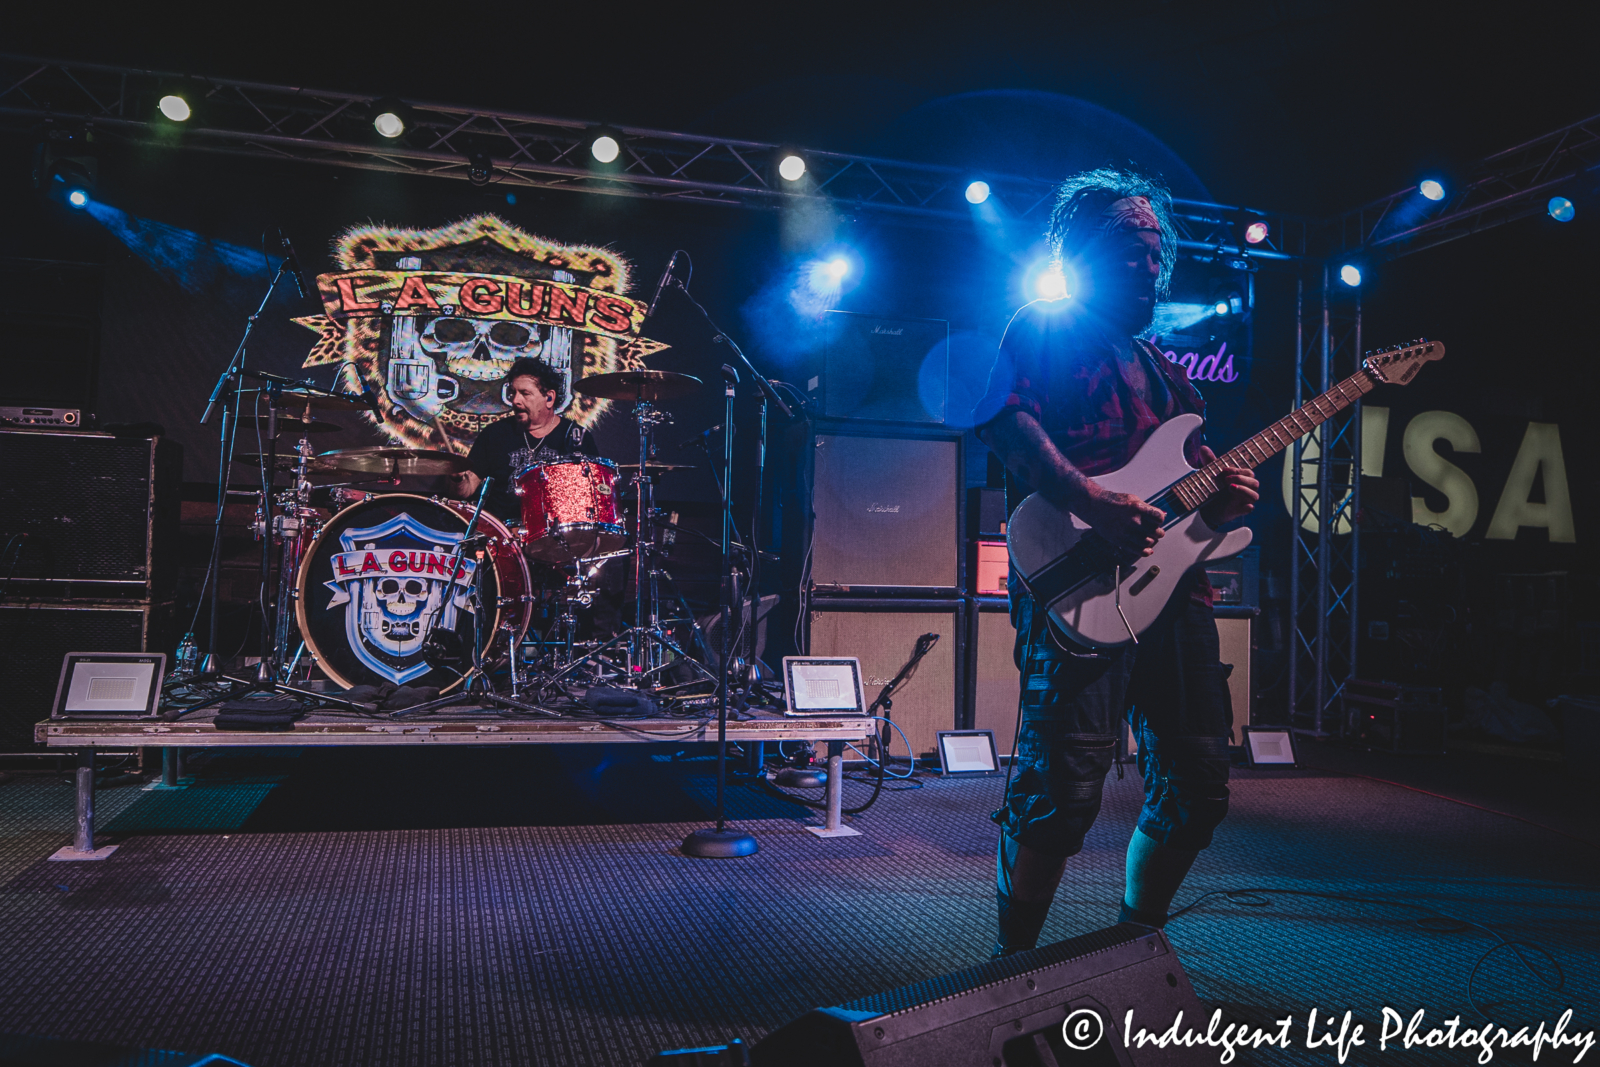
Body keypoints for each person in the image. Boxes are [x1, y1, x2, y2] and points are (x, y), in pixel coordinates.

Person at [975, 167, 1260, 957]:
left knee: (1199, 782)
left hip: (1178, 594)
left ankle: (1139, 943)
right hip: (1076, 574)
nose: (1149, 262)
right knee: (1061, 789)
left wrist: (1224, 503)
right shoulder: (1043, 326)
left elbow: (1194, 491)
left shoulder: (1171, 374)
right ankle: (1016, 963)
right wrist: (1095, 500)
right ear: (1083, 253)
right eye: (1131, 246)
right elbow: (1001, 418)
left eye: (1157, 248)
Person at [454, 357, 601, 522]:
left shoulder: (576, 437)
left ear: (549, 398)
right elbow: (466, 489)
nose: (516, 400)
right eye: (513, 393)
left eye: (525, 393)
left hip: (554, 536)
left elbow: (592, 497)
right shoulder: (494, 434)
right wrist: (456, 478)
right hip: (500, 536)